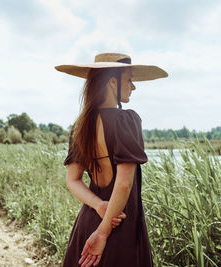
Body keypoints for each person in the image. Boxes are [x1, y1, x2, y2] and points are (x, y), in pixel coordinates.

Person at [55, 53, 168, 267]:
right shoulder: (126, 120)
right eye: (129, 79)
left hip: (89, 221)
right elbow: (123, 184)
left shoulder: (80, 126)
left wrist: (99, 205)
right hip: (118, 227)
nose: (133, 87)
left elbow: (72, 180)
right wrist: (103, 232)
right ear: (113, 81)